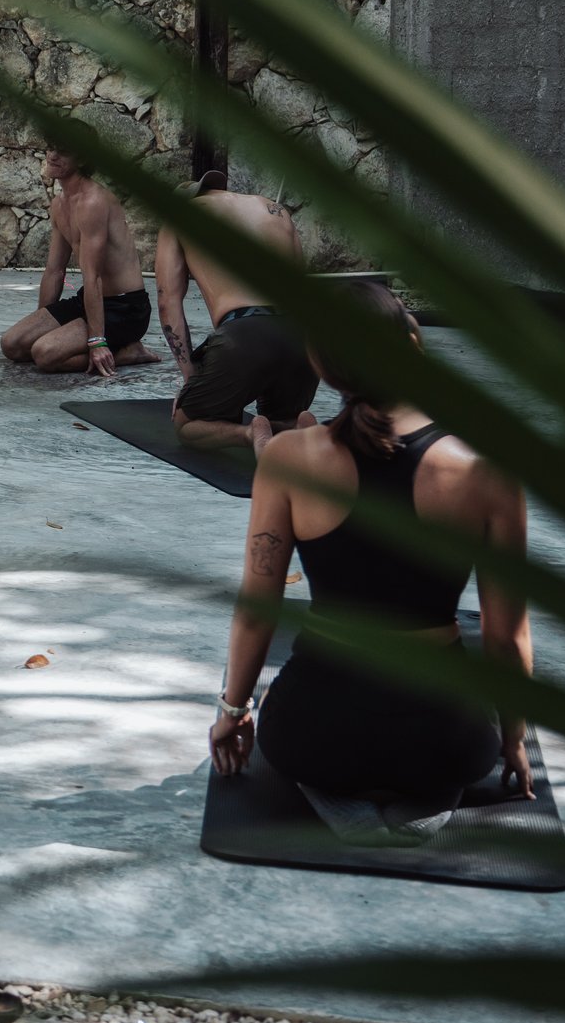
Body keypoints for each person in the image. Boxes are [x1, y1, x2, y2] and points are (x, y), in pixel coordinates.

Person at [208, 282, 534, 836]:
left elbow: (258, 608)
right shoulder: (487, 472)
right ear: (413, 344)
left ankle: (345, 802)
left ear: (323, 367)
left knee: (309, 736)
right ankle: (421, 805)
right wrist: (511, 742)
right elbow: (506, 637)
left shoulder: (288, 458)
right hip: (445, 743)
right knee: (437, 761)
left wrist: (232, 713)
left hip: (314, 738)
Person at [156, 172, 321, 453]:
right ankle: (293, 426)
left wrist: (190, 381)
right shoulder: (277, 211)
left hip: (245, 333)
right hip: (300, 334)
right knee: (279, 416)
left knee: (187, 426)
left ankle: (250, 433)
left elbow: (167, 301)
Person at [0, 146, 158, 376]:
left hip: (125, 308)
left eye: (63, 150)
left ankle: (127, 353)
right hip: (89, 300)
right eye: (51, 148)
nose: (53, 155)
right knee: (12, 345)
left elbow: (93, 276)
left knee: (44, 355)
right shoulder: (60, 204)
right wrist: (44, 321)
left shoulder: (94, 202)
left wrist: (97, 341)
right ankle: (91, 344)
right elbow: (55, 270)